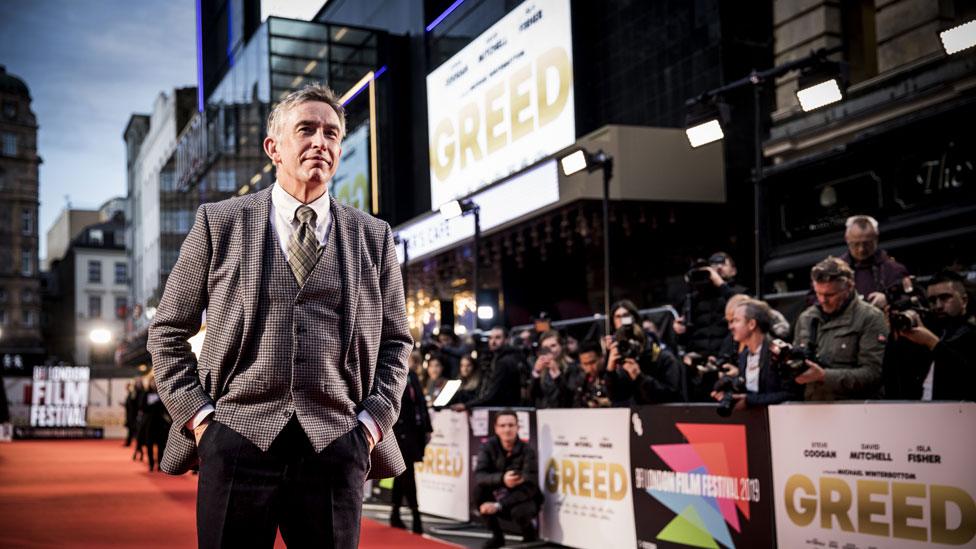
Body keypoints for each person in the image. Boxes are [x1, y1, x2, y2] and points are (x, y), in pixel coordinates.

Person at [148, 84, 411, 549]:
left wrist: (371, 426)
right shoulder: (220, 222)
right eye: (306, 130)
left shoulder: (374, 236)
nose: (320, 142)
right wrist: (202, 421)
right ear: (274, 147)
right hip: (235, 443)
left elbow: (397, 342)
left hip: (337, 446)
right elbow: (168, 330)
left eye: (331, 133)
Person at [793, 257, 887, 401]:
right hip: (814, 408)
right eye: (818, 293)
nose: (823, 300)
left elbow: (873, 374)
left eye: (830, 295)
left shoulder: (870, 318)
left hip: (856, 409)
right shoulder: (806, 318)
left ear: (849, 287)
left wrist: (824, 376)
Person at [883, 271, 976, 400]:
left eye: (945, 298)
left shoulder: (971, 333)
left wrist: (932, 343)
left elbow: (967, 376)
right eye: (932, 300)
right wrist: (896, 335)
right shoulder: (926, 329)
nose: (938, 306)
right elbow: (894, 376)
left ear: (964, 300)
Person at [710, 300, 801, 410]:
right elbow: (753, 392)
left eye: (736, 321)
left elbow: (791, 394)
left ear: (752, 324)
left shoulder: (777, 352)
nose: (731, 327)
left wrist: (749, 400)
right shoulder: (743, 356)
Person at [474, 411, 544, 548]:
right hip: (497, 492)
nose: (507, 429)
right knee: (478, 492)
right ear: (496, 428)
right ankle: (497, 537)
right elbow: (480, 476)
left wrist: (499, 505)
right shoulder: (487, 447)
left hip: (522, 498)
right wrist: (502, 479)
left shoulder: (527, 451)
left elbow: (530, 486)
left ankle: (529, 534)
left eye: (511, 425)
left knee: (521, 511)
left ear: (518, 427)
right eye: (503, 425)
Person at [673, 252, 748, 358]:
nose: (718, 267)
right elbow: (686, 336)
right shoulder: (694, 298)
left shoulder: (740, 292)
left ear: (734, 271)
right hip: (700, 358)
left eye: (723, 264)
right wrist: (680, 330)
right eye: (714, 265)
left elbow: (743, 307)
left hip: (728, 357)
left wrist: (720, 283)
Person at [390, 368, 432, 533]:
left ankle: (395, 513)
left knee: (403, 474)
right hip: (399, 432)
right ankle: (415, 514)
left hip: (413, 432)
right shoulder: (393, 371)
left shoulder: (412, 375)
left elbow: (420, 403)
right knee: (407, 473)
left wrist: (427, 428)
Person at [840, 215, 910, 309]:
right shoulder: (836, 270)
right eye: (856, 244)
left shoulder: (893, 269)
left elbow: (911, 297)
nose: (861, 249)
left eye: (867, 244)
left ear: (876, 238)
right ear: (847, 239)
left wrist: (888, 299)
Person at [606, 323, 683, 405]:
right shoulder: (624, 362)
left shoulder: (664, 358)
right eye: (623, 345)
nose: (627, 349)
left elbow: (670, 397)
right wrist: (610, 372)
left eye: (630, 345)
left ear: (642, 342)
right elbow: (616, 398)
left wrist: (639, 378)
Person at [452, 326, 524, 410]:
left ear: (506, 340)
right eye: (490, 338)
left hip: (502, 409)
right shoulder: (493, 359)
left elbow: (493, 393)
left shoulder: (505, 362)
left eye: (498, 338)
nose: (493, 341)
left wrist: (467, 405)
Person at [529, 330, 579, 408]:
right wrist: (536, 373)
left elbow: (569, 396)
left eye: (553, 346)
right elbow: (533, 395)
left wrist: (557, 375)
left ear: (561, 346)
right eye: (545, 347)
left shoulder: (572, 367)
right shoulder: (540, 368)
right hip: (543, 413)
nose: (550, 350)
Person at [571, 340, 611, 408]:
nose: (589, 368)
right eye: (585, 364)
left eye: (592, 362)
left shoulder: (613, 376)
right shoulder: (581, 381)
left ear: (602, 358)